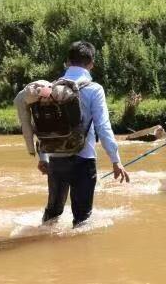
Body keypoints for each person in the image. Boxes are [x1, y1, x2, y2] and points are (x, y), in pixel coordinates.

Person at [32, 42, 130, 227]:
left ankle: (46, 248)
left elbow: (39, 124)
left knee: (52, 214)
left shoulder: (50, 88)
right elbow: (103, 126)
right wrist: (116, 160)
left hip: (55, 158)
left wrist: (43, 157)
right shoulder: (94, 89)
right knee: (82, 221)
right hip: (83, 159)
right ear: (91, 63)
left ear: (67, 62)